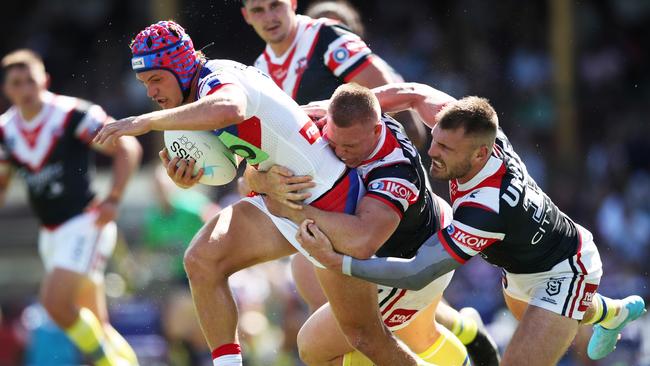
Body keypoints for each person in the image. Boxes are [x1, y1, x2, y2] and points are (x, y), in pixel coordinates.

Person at [95, 21, 429, 366]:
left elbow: (231, 109)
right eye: (143, 83)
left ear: (180, 68)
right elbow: (237, 168)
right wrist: (190, 177)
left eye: (156, 79)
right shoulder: (204, 88)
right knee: (203, 260)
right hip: (283, 199)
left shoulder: (217, 81)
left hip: (331, 202)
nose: (150, 93)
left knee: (364, 339)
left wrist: (148, 122)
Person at [296, 82, 648, 365]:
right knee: (566, 310)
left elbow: (417, 272)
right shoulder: (471, 130)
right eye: (435, 141)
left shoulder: (484, 211)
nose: (432, 153)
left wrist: (339, 263)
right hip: (522, 269)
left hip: (564, 269)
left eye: (446, 149)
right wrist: (340, 109)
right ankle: (613, 313)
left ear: (480, 154)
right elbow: (413, 94)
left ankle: (603, 309)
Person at [247, 83, 472, 365]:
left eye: (350, 146)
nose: (340, 152)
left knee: (315, 347)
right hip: (426, 233)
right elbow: (249, 171)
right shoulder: (320, 119)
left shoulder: (395, 170)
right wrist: (263, 181)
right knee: (417, 335)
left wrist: (292, 209)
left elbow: (362, 240)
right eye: (334, 142)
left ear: (377, 130)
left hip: (414, 263)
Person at [0, 49, 142, 366]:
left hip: (85, 223)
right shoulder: (5, 131)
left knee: (54, 304)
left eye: (30, 81)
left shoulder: (71, 115)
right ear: (7, 89)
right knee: (94, 323)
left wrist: (115, 197)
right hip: (50, 234)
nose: (25, 89)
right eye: (16, 83)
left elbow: (127, 146)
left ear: (45, 81)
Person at [240, 0, 427, 148]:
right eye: (258, 10)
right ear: (246, 16)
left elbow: (399, 111)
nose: (269, 17)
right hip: (316, 185)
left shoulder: (324, 36)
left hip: (364, 176)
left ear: (293, 3)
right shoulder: (259, 70)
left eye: (276, 4)